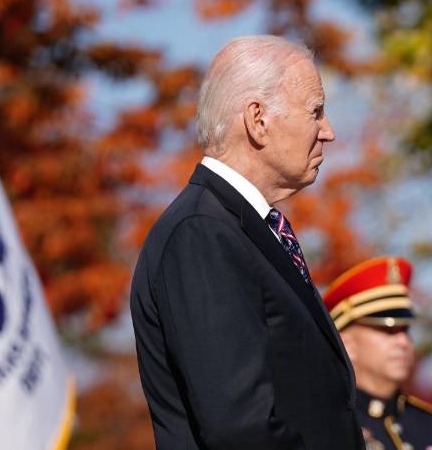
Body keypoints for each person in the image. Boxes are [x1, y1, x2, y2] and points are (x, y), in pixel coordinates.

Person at [130, 35, 363, 449]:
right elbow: (241, 428)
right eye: (315, 111)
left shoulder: (240, 229)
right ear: (258, 120)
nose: (328, 131)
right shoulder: (202, 234)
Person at [323, 256, 432, 450]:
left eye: (405, 330)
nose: (403, 342)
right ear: (346, 344)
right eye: (387, 330)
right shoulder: (323, 426)